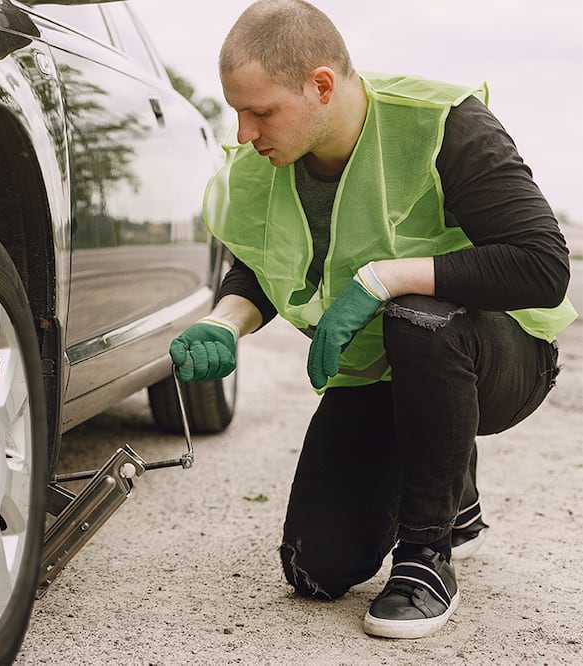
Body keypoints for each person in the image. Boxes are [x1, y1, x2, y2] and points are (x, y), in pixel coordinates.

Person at [168, 0, 576, 639]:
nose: (244, 132)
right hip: (384, 373)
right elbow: (262, 266)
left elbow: (543, 267)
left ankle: (427, 556)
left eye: (261, 110)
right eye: (237, 110)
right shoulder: (264, 164)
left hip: (496, 354)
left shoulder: (445, 123)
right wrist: (224, 322)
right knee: (316, 570)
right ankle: (451, 485)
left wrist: (386, 276)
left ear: (322, 85)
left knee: (418, 318)